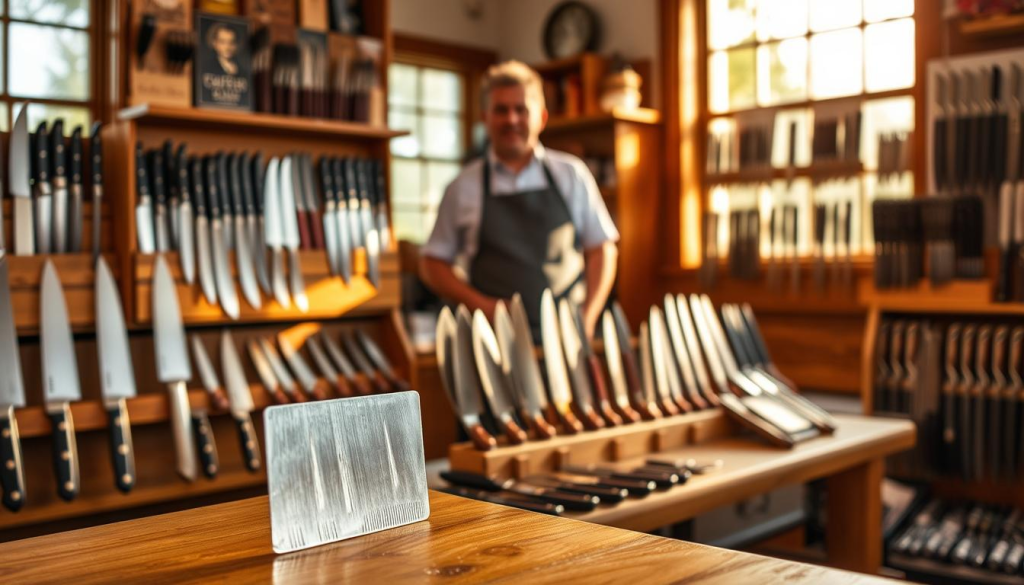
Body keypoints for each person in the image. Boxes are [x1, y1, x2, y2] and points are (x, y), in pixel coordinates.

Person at [420, 60, 618, 340]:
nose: (511, 119)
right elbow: (432, 264)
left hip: (566, 338)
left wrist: (587, 318)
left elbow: (602, 250)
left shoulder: (571, 174)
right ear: (485, 118)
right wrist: (482, 306)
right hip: (493, 341)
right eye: (501, 110)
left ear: (542, 118)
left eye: (521, 110)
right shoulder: (462, 186)